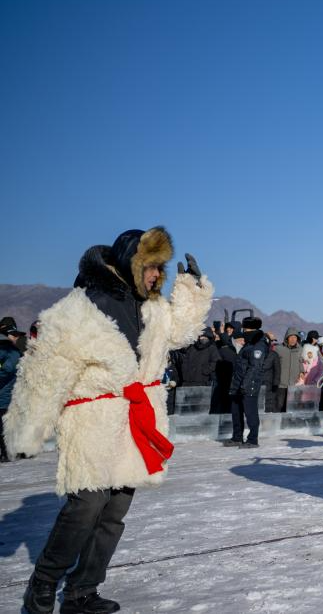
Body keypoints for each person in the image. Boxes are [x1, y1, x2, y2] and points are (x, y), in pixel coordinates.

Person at [5, 227, 212, 614]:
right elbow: (46, 371)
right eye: (151, 267)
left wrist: (192, 289)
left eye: (161, 269)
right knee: (85, 507)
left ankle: (83, 591)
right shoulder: (80, 307)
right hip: (94, 418)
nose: (156, 276)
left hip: (135, 419)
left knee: (115, 512)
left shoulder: (151, 307)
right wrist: (25, 431)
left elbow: (182, 333)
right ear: (130, 261)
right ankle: (43, 585)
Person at [226, 317, 268, 448]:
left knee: (250, 413)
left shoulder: (259, 345)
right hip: (238, 383)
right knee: (236, 411)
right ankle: (237, 437)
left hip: (249, 384)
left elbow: (255, 367)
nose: (244, 331)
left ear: (254, 329)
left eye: (247, 329)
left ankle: (252, 439)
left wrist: (245, 384)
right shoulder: (248, 344)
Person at [0, 317, 24, 463]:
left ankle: (8, 453)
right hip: (7, 392)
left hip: (6, 394)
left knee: (5, 425)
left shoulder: (12, 347)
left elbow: (9, 367)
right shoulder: (10, 345)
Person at [271, 327, 304, 413]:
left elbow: (302, 362)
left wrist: (302, 372)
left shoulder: (300, 349)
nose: (293, 339)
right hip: (281, 384)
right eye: (291, 337)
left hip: (294, 384)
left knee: (292, 407)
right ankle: (277, 424)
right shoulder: (278, 348)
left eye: (295, 337)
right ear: (287, 338)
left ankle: (290, 424)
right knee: (279, 405)